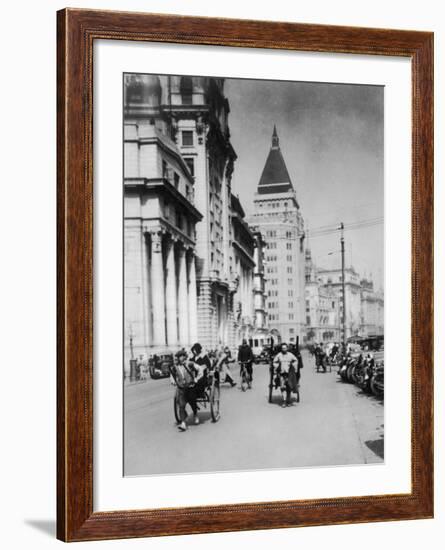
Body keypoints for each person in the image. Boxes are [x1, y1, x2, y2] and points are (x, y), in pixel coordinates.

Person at [170, 349, 199, 432]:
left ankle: (195, 414)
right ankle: (183, 423)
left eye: (182, 356)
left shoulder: (190, 363)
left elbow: (199, 369)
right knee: (181, 406)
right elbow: (172, 375)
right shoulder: (175, 367)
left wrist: (197, 378)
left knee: (192, 403)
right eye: (179, 356)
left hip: (190, 387)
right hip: (181, 388)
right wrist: (172, 380)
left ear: (184, 356)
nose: (180, 358)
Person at [273, 342, 302, 407]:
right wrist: (277, 367)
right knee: (282, 387)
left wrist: (294, 367)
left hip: (289, 373)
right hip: (282, 373)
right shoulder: (279, 355)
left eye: (285, 348)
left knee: (289, 387)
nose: (284, 349)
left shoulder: (290, 355)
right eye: (283, 348)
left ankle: (288, 401)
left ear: (287, 348)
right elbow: (274, 362)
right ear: (281, 349)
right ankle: (284, 400)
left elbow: (295, 360)